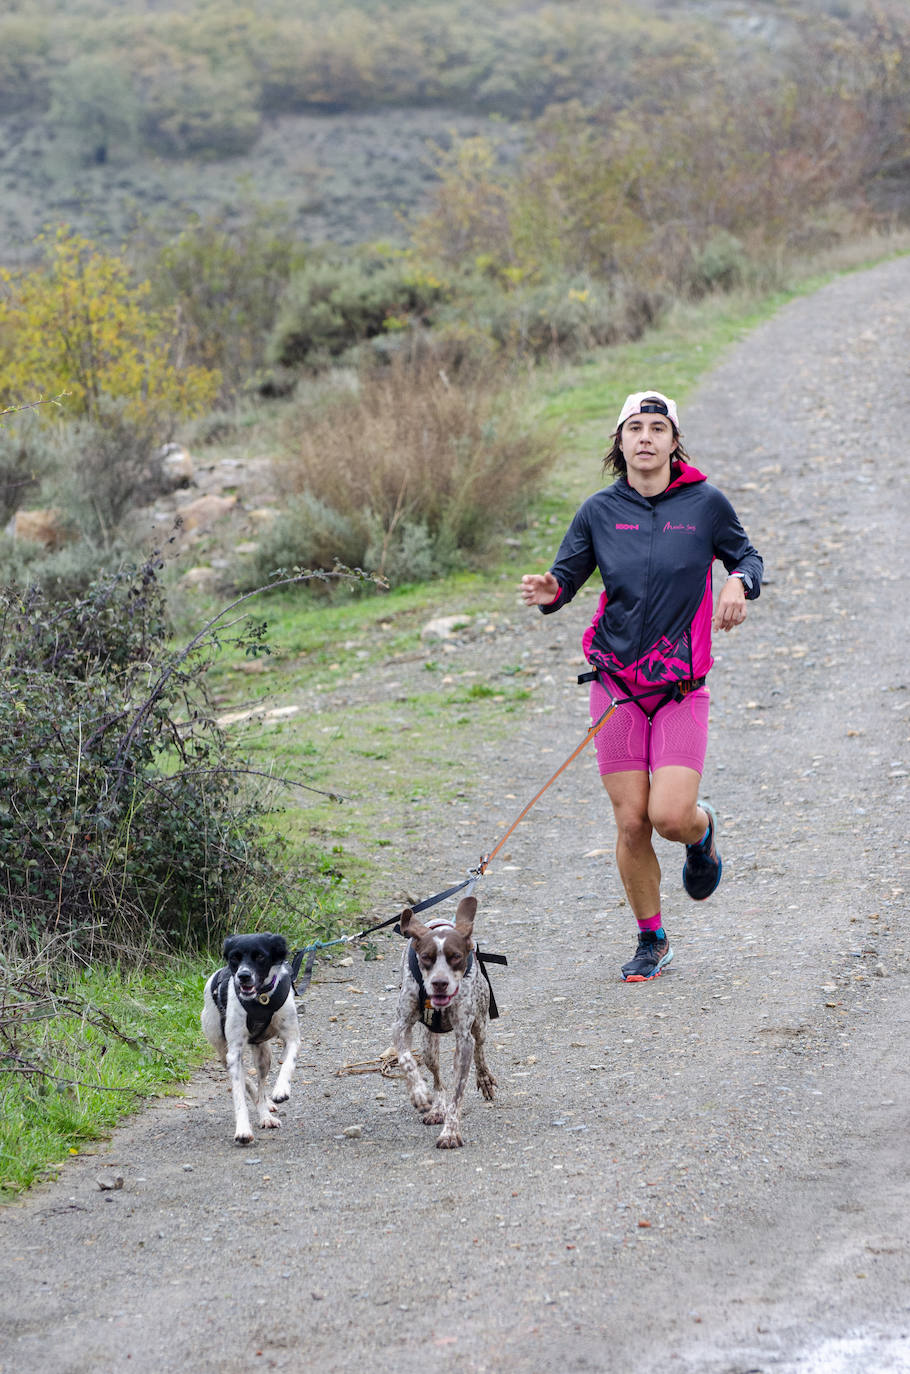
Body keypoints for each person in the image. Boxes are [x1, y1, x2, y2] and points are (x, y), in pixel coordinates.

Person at [520, 390, 762, 982]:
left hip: (680, 688)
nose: (646, 437)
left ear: (675, 442)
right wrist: (552, 590)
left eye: (659, 427)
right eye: (636, 428)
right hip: (617, 687)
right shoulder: (599, 511)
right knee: (632, 821)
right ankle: (651, 939)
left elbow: (747, 556)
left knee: (671, 817)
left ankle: (702, 833)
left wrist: (737, 584)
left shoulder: (706, 505)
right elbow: (567, 577)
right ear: (620, 441)